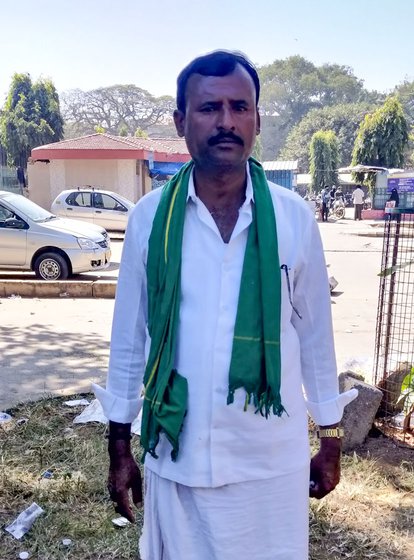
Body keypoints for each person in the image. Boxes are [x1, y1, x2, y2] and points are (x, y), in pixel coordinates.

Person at [94, 50, 356, 560]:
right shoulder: (150, 220)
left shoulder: (294, 218)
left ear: (257, 118)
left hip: (268, 463)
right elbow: (130, 338)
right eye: (209, 108)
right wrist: (120, 443)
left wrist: (330, 436)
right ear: (181, 121)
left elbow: (315, 336)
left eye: (240, 107)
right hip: (178, 456)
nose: (226, 122)